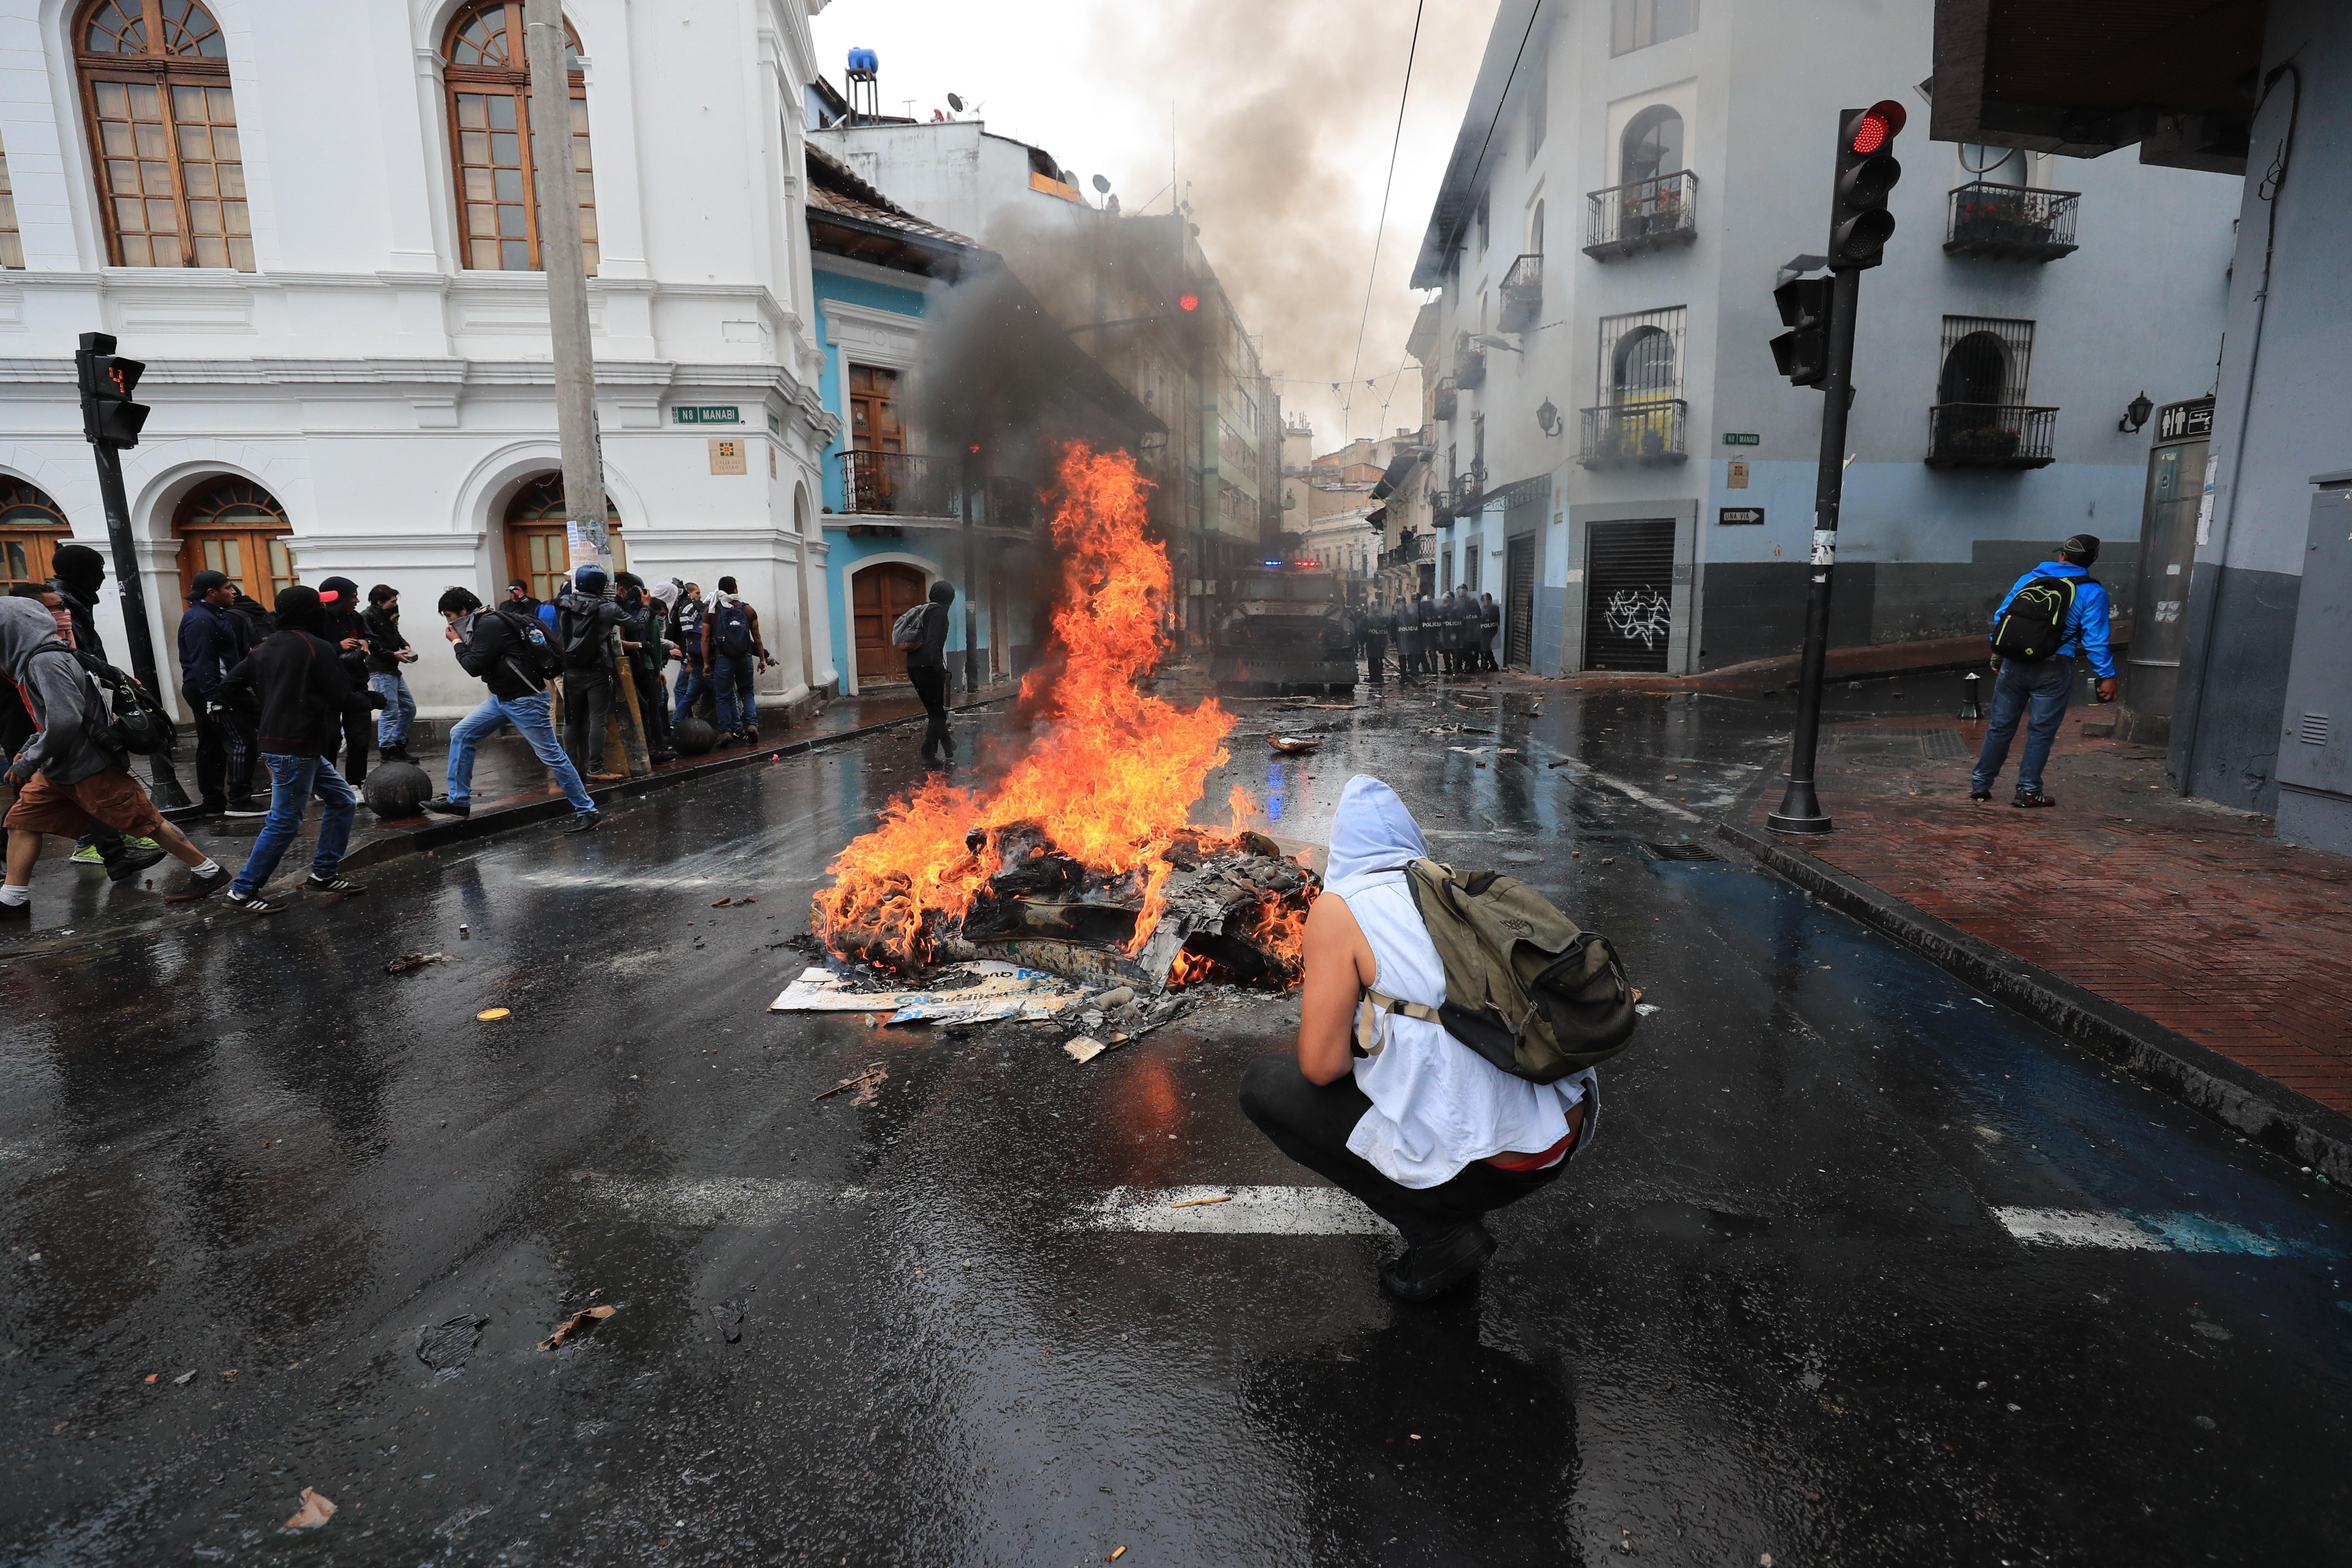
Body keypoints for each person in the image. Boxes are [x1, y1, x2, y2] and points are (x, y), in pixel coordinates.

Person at [1239, 775, 1596, 1301]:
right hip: (1561, 1135)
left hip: (1498, 1164)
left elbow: (1321, 1067)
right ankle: (1451, 1194)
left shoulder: (1341, 908)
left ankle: (1441, 1234)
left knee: (1266, 1087)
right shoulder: (1451, 889)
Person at [1, 597, 229, 921]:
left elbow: (66, 720)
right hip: (61, 767)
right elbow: (57, 718)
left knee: (146, 822)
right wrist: (33, 745)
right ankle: (13, 899)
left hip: (88, 766)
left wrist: (29, 761)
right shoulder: (45, 658)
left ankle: (208, 871)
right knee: (22, 822)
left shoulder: (44, 662)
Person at [213, 584, 381, 914]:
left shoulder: (263, 648)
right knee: (284, 821)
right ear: (309, 612)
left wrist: (264, 711)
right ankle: (243, 892)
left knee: (342, 799)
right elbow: (341, 696)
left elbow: (229, 687)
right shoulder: (315, 647)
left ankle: (324, 874)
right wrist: (372, 700)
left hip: (288, 743)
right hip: (296, 746)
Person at [6, 583, 153, 880]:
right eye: (55, 608)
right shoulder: (25, 653)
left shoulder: (56, 647)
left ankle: (115, 855)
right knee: (27, 809)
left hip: (56, 742)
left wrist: (117, 677)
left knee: (35, 810)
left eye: (63, 606)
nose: (63, 614)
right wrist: (31, 751)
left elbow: (82, 670)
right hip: (31, 733)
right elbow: (53, 711)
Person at [427, 587, 598, 831]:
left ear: (463, 611)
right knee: (461, 733)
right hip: (503, 699)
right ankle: (459, 801)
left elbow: (474, 665)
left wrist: (456, 642)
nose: (449, 622)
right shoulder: (484, 622)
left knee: (552, 756)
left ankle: (587, 810)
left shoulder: (489, 625)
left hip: (525, 700)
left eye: (449, 615)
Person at [1969, 533, 2118, 808]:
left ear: (2062, 555)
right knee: (2041, 732)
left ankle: (1981, 783)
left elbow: (2002, 617)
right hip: (2053, 667)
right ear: (2091, 561)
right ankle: (2028, 791)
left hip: (2014, 664)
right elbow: (2095, 640)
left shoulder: (2029, 579)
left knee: (2000, 727)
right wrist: (2106, 676)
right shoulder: (2092, 591)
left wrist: (1999, 652)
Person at [177, 569, 264, 819]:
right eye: (228, 587)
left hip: (211, 687)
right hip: (211, 689)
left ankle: (214, 802)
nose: (234, 591)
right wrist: (214, 699)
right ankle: (239, 800)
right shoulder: (202, 619)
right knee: (242, 740)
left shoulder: (211, 615)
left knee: (213, 744)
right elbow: (203, 661)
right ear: (211, 593)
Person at [554, 564, 626, 781]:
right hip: (597, 669)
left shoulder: (563, 604)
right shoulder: (606, 608)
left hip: (571, 669)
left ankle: (569, 769)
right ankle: (595, 768)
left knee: (571, 720)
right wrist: (644, 605)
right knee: (597, 719)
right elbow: (637, 623)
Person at [314, 576, 374, 787]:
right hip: (327, 688)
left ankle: (355, 781)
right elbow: (311, 649)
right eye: (353, 597)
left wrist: (366, 642)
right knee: (330, 738)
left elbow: (369, 636)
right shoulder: (317, 620)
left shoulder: (355, 618)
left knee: (359, 737)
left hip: (357, 684)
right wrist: (338, 646)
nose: (357, 601)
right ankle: (327, 784)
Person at [703, 575, 772, 745]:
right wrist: (762, 659)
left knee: (723, 696)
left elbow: (705, 638)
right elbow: (757, 638)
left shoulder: (712, 611)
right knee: (747, 692)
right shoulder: (747, 611)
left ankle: (725, 731)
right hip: (745, 657)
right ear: (735, 590)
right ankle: (752, 725)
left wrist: (706, 663)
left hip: (724, 658)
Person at [615, 572, 675, 764]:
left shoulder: (621, 609)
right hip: (640, 666)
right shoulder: (642, 612)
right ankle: (653, 747)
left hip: (631, 666)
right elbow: (652, 640)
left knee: (644, 708)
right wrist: (656, 665)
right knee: (649, 709)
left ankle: (649, 747)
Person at [361, 584, 420, 763]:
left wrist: (404, 645)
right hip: (379, 668)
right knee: (390, 710)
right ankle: (387, 750)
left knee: (408, 708)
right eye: (392, 601)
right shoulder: (367, 617)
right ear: (380, 602)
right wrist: (393, 654)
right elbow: (372, 645)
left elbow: (395, 631)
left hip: (392, 667)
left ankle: (398, 744)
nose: (396, 604)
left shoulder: (390, 612)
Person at [907, 578, 956, 765]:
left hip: (914, 665)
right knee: (936, 712)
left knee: (935, 711)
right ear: (947, 599)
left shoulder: (926, 610)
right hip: (926, 668)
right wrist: (941, 670)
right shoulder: (939, 612)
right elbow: (933, 643)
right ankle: (931, 753)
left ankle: (945, 747)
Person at [669, 580, 710, 725]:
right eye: (697, 593)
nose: (700, 596)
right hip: (702, 660)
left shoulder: (686, 609)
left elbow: (691, 639)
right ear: (689, 593)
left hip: (696, 661)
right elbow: (691, 639)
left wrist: (688, 662)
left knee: (683, 691)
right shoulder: (689, 609)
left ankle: (680, 723)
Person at [1360, 596, 1388, 686]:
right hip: (1379, 641)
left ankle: (1373, 676)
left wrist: (1364, 639)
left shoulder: (1368, 617)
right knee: (1379, 659)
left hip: (1372, 642)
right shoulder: (1384, 617)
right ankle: (1378, 676)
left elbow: (1363, 628)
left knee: (1373, 659)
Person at [1479, 591, 1502, 672]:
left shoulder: (1494, 608)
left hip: (1491, 631)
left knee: (1485, 647)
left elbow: (1494, 620)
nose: (1485, 602)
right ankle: (1494, 665)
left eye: (1486, 600)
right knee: (1486, 647)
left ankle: (1484, 665)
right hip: (1484, 631)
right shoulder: (1483, 608)